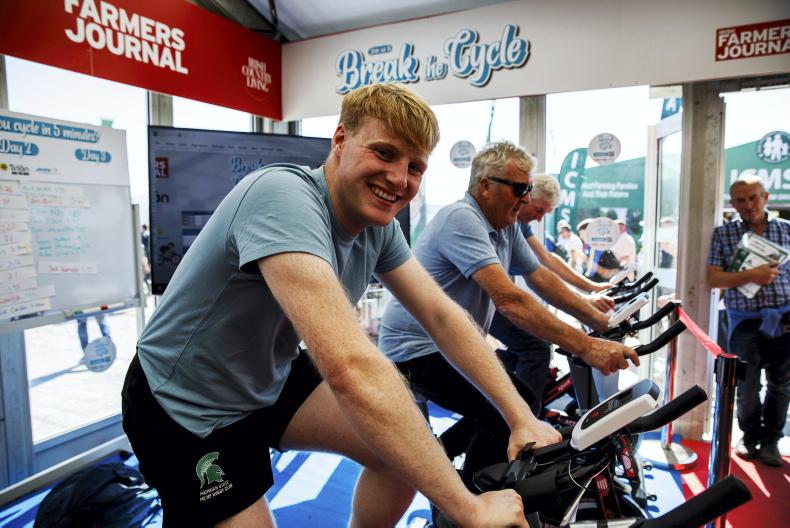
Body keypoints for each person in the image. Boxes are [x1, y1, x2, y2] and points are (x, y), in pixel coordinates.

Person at [121, 84, 543, 528]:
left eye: (414, 167)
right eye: (384, 153)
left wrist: (519, 415)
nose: (399, 179)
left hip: (267, 373)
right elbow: (350, 367)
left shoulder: (379, 227)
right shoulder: (282, 196)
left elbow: (441, 315)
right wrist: (470, 508)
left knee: (409, 456)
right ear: (341, 140)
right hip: (184, 400)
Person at [378, 142, 639, 487]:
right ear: (486, 185)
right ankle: (474, 502)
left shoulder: (505, 225)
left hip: (449, 344)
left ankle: (447, 456)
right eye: (519, 189)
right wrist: (586, 346)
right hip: (416, 349)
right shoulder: (462, 218)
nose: (526, 199)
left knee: (517, 397)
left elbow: (540, 277)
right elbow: (509, 300)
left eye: (528, 189)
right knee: (509, 410)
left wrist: (599, 321)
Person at [488, 174, 614, 413]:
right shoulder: (504, 221)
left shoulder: (517, 224)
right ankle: (524, 420)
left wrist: (590, 289)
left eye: (544, 213)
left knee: (532, 346)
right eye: (538, 209)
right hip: (484, 303)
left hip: (491, 302)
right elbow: (538, 276)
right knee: (536, 349)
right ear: (527, 196)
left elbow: (545, 261)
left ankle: (508, 404)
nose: (539, 218)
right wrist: (588, 305)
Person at [707, 176, 789, 467]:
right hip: (745, 322)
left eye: (753, 197)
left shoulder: (786, 229)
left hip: (785, 319)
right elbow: (713, 278)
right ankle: (749, 436)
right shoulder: (723, 234)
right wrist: (752, 275)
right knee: (746, 385)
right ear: (733, 204)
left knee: (782, 385)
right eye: (741, 200)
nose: (748, 205)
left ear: (765, 197)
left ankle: (771, 442)